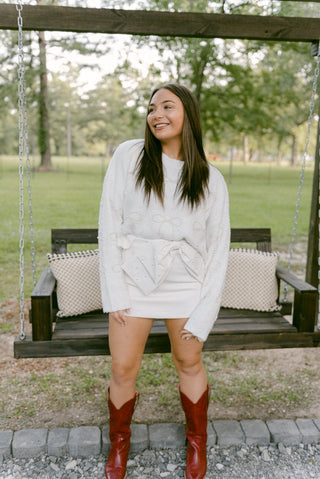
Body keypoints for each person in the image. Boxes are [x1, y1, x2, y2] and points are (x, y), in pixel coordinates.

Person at [98, 83, 230, 479]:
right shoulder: (129, 156)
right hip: (134, 282)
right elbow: (108, 223)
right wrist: (115, 292)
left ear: (187, 114)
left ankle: (197, 443)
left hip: (187, 287)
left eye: (167, 106)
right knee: (123, 367)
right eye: (152, 108)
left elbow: (217, 251)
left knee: (189, 361)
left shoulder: (210, 179)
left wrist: (204, 311)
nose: (157, 114)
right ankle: (119, 443)